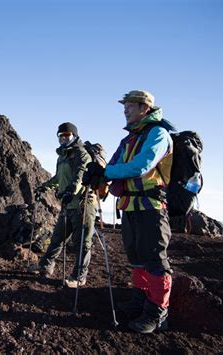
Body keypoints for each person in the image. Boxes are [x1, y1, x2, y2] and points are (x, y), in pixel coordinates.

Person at [82, 90, 174, 333]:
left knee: (155, 260)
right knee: (136, 258)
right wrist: (99, 172)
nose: (125, 110)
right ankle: (140, 301)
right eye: (125, 106)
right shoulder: (130, 138)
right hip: (130, 207)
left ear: (144, 108)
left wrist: (106, 173)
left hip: (151, 208)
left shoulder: (158, 133)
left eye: (129, 106)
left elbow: (140, 166)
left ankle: (157, 314)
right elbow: (112, 165)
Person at [28, 122, 97, 288]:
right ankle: (45, 265)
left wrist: (70, 191)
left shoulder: (81, 153)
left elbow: (80, 176)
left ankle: (79, 277)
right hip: (67, 205)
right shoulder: (63, 156)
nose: (64, 138)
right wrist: (43, 187)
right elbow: (59, 178)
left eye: (67, 135)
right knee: (57, 238)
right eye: (61, 136)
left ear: (74, 136)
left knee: (82, 243)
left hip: (83, 205)